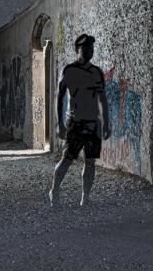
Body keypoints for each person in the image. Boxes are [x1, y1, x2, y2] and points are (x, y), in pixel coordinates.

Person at [48, 33, 111, 206]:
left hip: (93, 123)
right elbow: (59, 98)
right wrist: (59, 123)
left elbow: (102, 98)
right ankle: (54, 191)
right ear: (78, 49)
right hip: (75, 123)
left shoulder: (96, 72)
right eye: (85, 47)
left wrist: (106, 122)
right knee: (67, 159)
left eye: (91, 48)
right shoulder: (69, 70)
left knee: (90, 162)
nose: (89, 50)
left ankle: (86, 197)